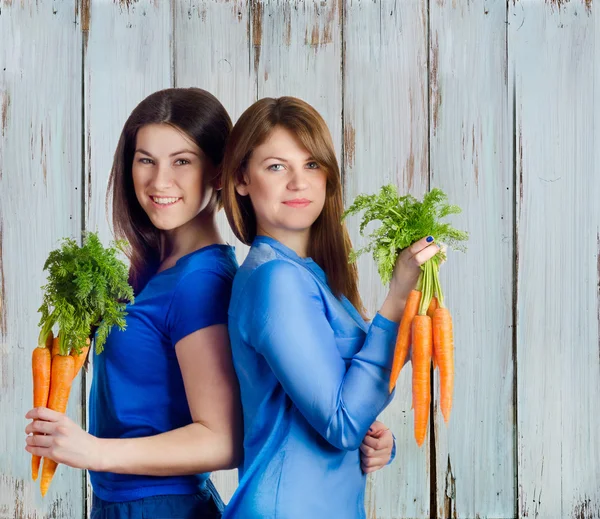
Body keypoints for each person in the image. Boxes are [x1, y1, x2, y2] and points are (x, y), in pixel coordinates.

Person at [25, 88, 242, 519]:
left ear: (218, 171)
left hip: (160, 507)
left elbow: (223, 439)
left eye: (182, 161)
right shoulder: (156, 270)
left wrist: (94, 451)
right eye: (146, 160)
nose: (159, 182)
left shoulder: (198, 282)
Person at [220, 96, 439, 518]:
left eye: (312, 165)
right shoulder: (276, 281)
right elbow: (341, 422)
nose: (298, 182)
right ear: (242, 179)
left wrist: (374, 441)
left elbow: (340, 409)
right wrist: (397, 300)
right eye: (276, 166)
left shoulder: (311, 275)